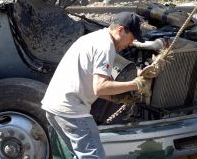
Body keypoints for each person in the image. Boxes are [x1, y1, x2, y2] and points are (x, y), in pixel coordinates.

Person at [41, 12, 151, 158]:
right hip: (72, 111)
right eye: (131, 38)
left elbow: (93, 86)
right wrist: (135, 84)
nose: (131, 43)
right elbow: (100, 87)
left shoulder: (93, 38)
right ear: (120, 30)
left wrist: (116, 99)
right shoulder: (106, 47)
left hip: (54, 108)